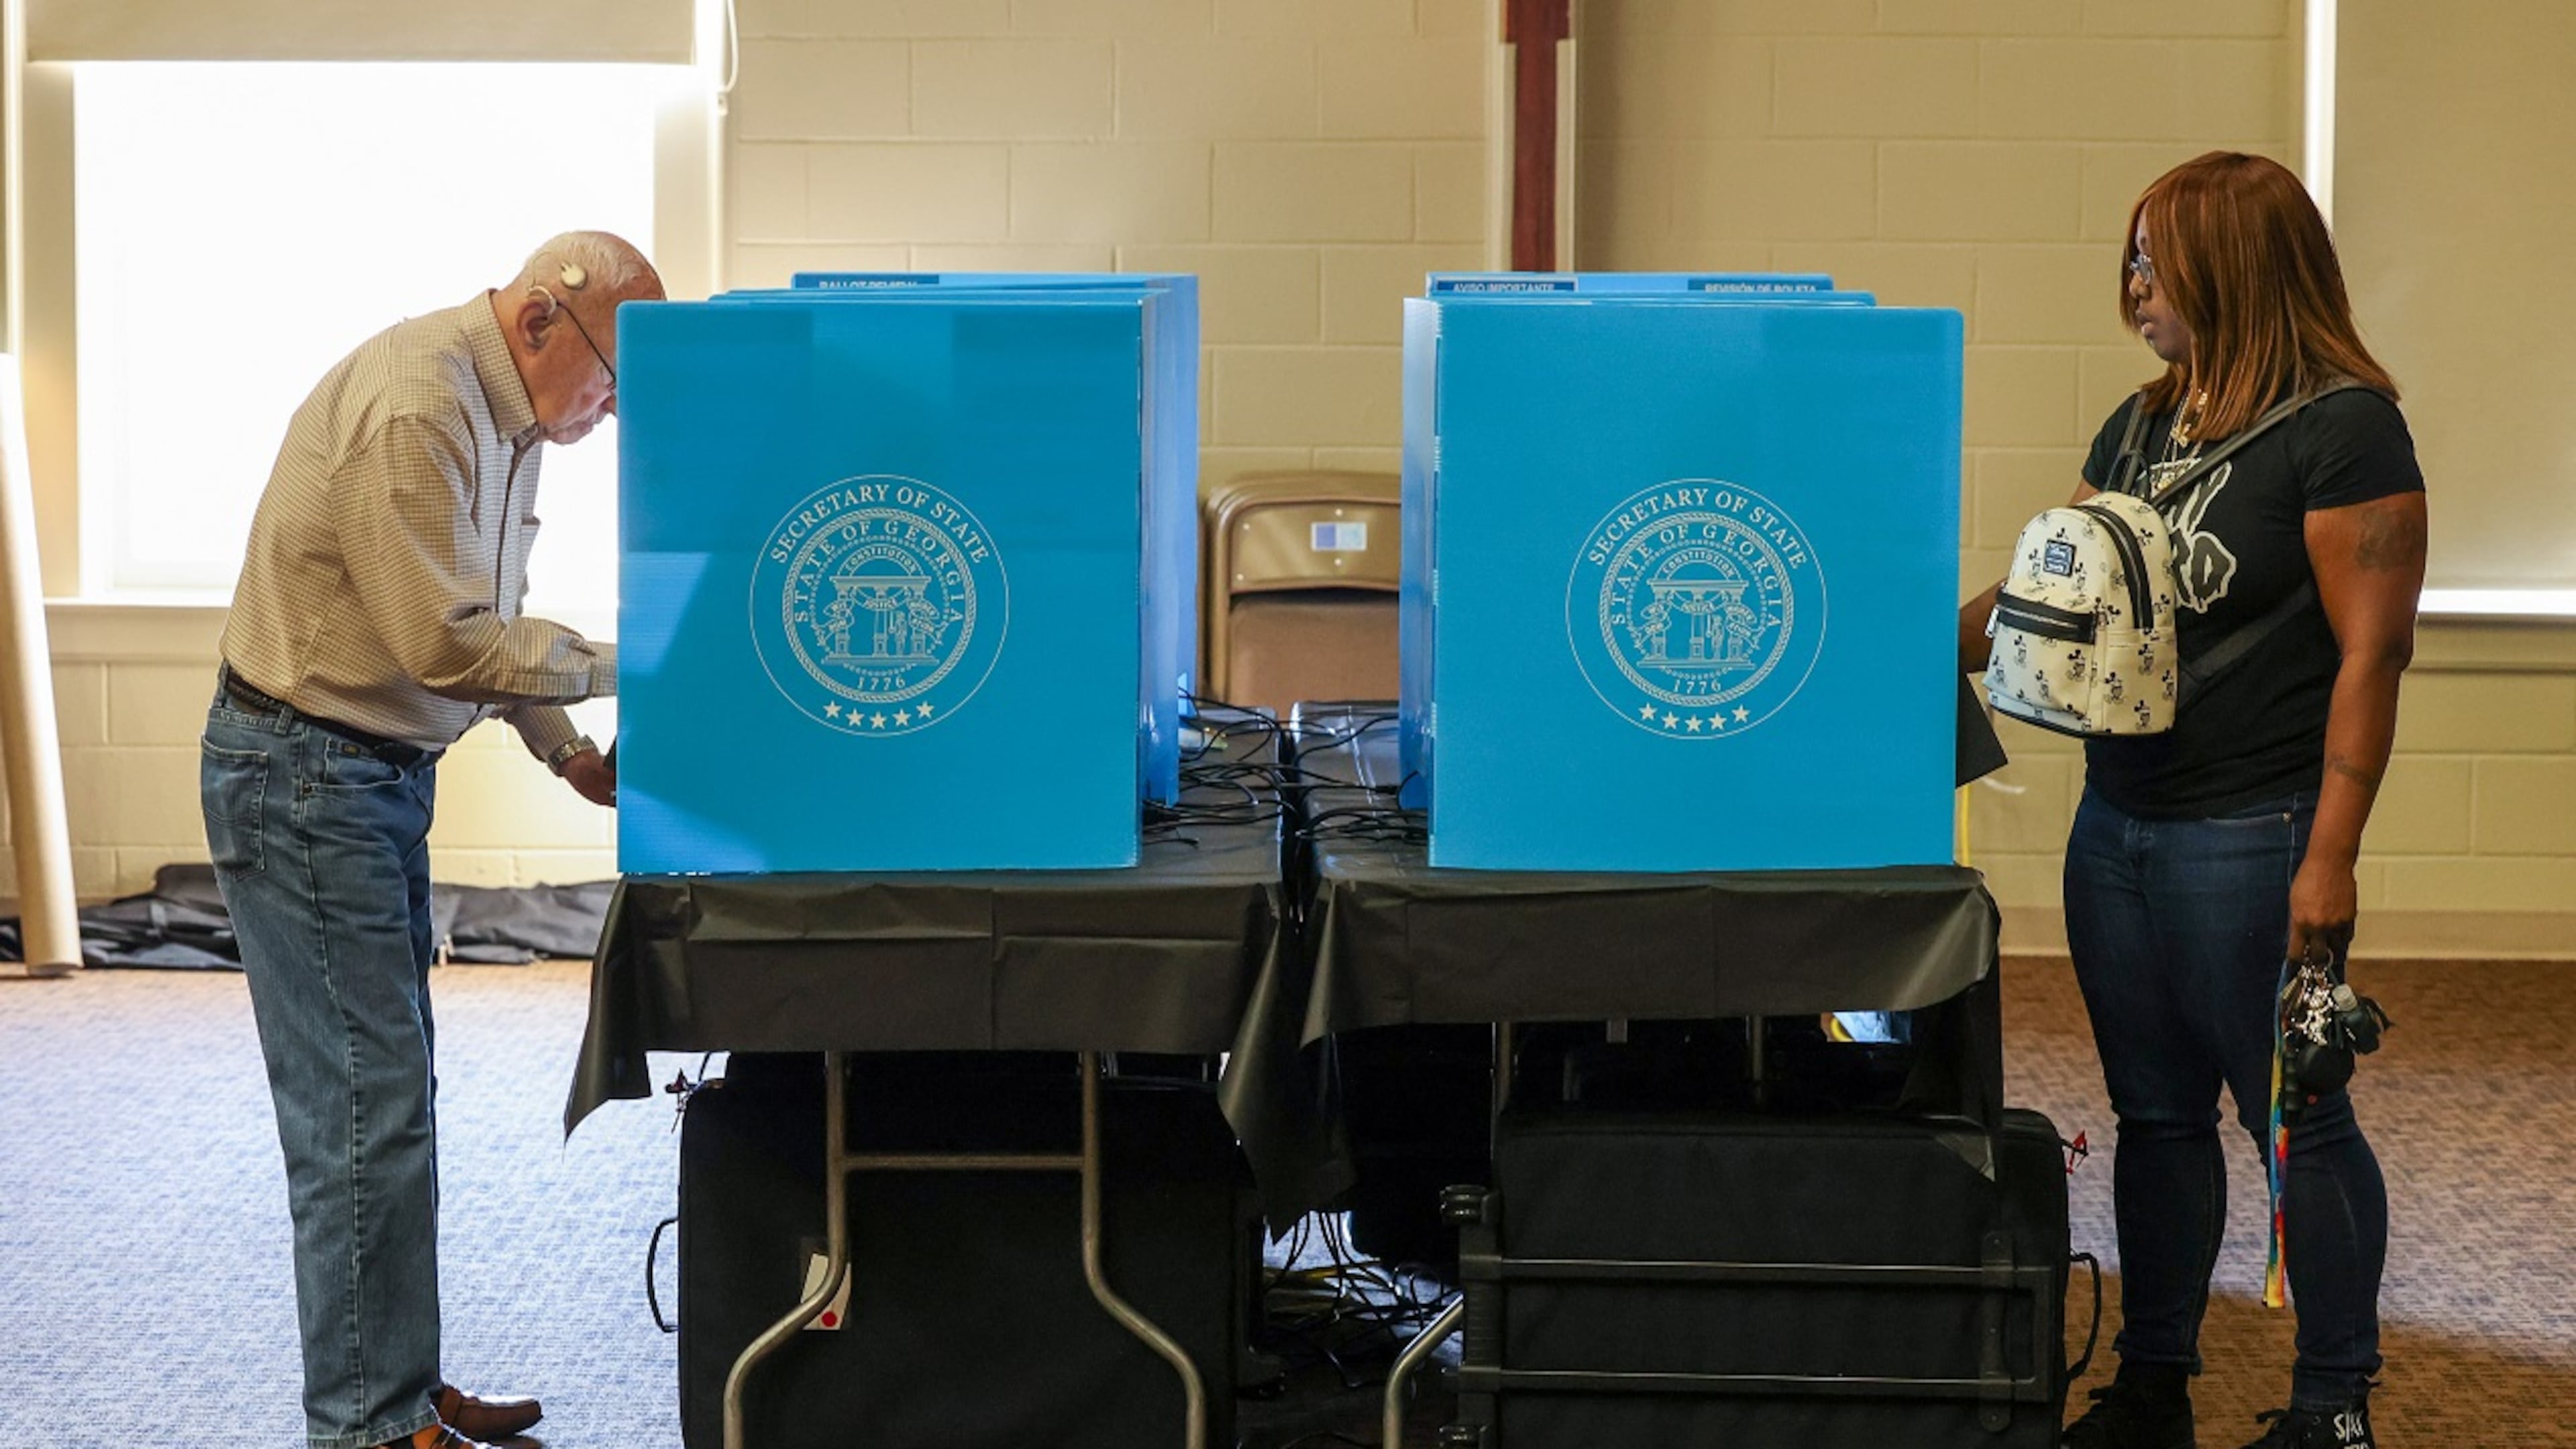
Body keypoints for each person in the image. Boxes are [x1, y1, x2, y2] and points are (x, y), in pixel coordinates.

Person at [1958, 154, 2426, 1449]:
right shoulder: (2141, 422)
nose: (2135, 284)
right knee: (2155, 1119)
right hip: (2117, 828)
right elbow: (2060, 590)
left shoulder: (2346, 430)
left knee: (2297, 1118)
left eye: (2157, 260)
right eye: (2134, 256)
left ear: (2233, 269)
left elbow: (2372, 658)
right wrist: (1919, 660)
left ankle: (2333, 1408)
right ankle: (2153, 1385)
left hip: (2253, 832)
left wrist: (2329, 862)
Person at [201, 231, 661, 1449]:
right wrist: (648, 658)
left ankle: (394, 1393)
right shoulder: (420, 410)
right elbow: (446, 646)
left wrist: (566, 751)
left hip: (365, 776)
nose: (608, 413)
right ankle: (368, 1424)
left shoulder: (501, 417)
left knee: (386, 1102)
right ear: (543, 325)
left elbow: (484, 621)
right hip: (307, 776)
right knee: (363, 1110)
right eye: (610, 384)